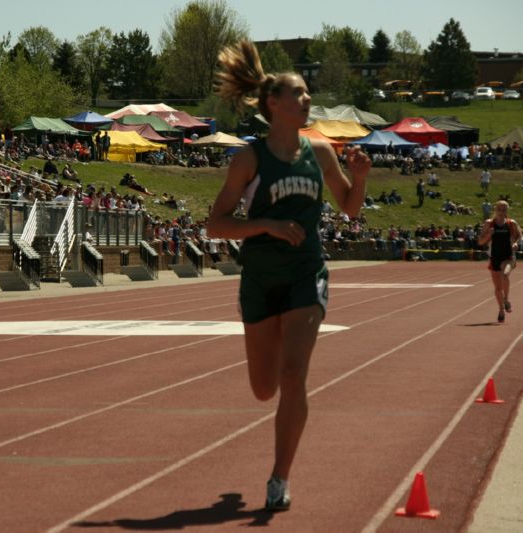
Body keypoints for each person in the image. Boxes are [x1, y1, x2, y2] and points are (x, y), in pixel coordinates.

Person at [206, 40, 369, 511]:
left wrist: (358, 178)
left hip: (305, 272)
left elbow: (350, 208)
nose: (307, 100)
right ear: (272, 104)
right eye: (298, 94)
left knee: (295, 374)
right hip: (259, 278)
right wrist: (266, 225)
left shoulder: (318, 151)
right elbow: (216, 225)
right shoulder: (249, 159)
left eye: (308, 93)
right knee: (264, 388)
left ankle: (279, 477)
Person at [477, 200, 522, 323]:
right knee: (497, 288)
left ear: (507, 210)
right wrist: (488, 235)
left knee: (505, 274)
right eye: (499, 209)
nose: (502, 212)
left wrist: (516, 243)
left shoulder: (511, 223)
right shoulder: (489, 224)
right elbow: (480, 242)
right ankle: (501, 309)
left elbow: (519, 235)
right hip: (494, 257)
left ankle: (506, 299)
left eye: (504, 209)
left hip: (508, 256)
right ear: (495, 210)